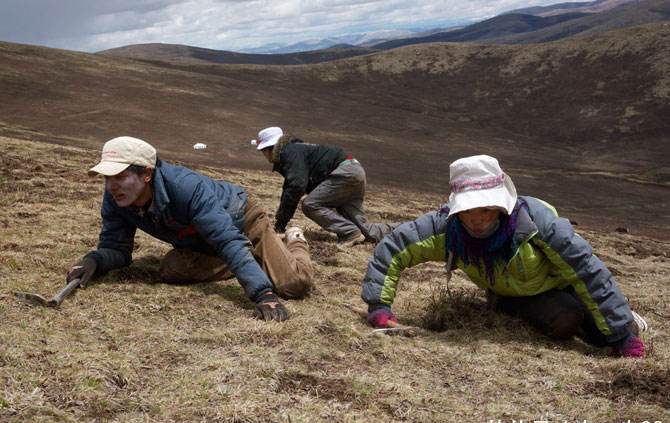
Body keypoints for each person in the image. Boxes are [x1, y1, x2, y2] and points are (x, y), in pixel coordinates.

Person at [361, 154, 648, 357]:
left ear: (500, 207)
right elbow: (394, 249)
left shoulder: (537, 224)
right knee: (566, 320)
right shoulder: (445, 228)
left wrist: (622, 335)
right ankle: (514, 306)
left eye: (485, 210)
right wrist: (379, 306)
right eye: (467, 212)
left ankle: (625, 321)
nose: (476, 220)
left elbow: (586, 269)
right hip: (509, 296)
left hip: (558, 283)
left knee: (603, 337)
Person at [67, 136, 314, 321]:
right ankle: (249, 259)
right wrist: (95, 260)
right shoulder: (117, 197)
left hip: (241, 220)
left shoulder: (187, 188)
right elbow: (117, 249)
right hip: (201, 241)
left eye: (119, 176)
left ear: (146, 174)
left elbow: (226, 239)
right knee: (172, 269)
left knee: (293, 285)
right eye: (106, 177)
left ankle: (293, 240)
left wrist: (263, 295)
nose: (111, 186)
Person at [252, 127, 394, 246]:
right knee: (364, 230)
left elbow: (296, 186)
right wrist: (280, 224)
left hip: (343, 173)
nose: (263, 155)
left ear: (268, 149)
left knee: (310, 204)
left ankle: (350, 233)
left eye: (262, 151)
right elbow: (290, 186)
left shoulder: (289, 152)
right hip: (354, 170)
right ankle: (406, 230)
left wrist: (280, 225)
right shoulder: (298, 150)